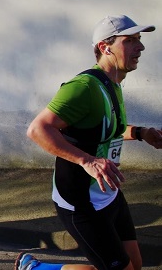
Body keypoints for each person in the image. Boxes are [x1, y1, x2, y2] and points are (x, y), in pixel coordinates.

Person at [19, 15, 162, 270]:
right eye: (130, 41)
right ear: (105, 48)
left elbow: (108, 131)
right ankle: (37, 268)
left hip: (109, 193)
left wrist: (142, 133)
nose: (140, 48)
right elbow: (37, 129)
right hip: (80, 202)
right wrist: (87, 160)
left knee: (135, 265)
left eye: (139, 40)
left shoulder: (114, 83)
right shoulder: (83, 87)